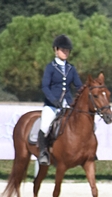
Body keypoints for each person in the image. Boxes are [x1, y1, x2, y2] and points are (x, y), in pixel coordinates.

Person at [38, 34, 82, 166]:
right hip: (52, 104)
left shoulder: (71, 68)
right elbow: (45, 86)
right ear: (56, 50)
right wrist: (53, 100)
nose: (65, 53)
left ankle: (85, 151)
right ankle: (43, 153)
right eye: (63, 50)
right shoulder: (50, 67)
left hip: (68, 104)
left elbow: (79, 86)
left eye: (67, 51)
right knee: (45, 126)